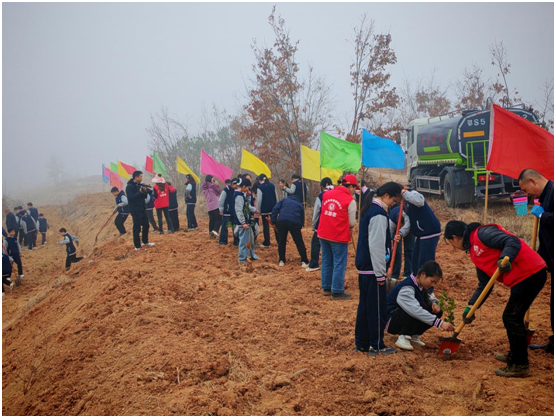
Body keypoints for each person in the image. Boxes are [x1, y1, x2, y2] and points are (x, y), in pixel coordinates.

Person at [444, 220, 547, 377]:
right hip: (523, 278)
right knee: (513, 316)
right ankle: (515, 354)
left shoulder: (482, 234)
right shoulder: (474, 251)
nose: (453, 247)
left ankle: (520, 364)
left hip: (530, 273)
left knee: (511, 317)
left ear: (454, 238)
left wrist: (505, 257)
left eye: (451, 243)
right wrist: (471, 306)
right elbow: (484, 284)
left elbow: (511, 241)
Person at [354, 182, 403, 356]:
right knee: (376, 309)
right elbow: (376, 246)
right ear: (386, 195)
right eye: (394, 200)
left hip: (365, 269)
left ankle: (362, 343)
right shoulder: (378, 214)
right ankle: (376, 345)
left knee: (365, 307)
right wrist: (380, 273)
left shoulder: (369, 209)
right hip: (372, 270)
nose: (393, 204)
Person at [518, 169, 554, 354]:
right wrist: (538, 259)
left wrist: (543, 216)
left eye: (526, 190)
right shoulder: (546, 196)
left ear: (532, 181)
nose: (527, 195)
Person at [386, 261, 454, 351]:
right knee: (419, 307)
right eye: (432, 281)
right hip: (391, 321)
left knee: (436, 311)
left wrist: (435, 303)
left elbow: (428, 297)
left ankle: (414, 335)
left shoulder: (419, 285)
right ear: (423, 274)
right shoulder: (407, 288)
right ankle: (404, 336)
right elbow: (415, 310)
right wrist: (440, 323)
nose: (432, 285)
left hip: (402, 315)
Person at [317, 174, 358, 300]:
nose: (354, 191)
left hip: (323, 232)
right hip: (338, 235)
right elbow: (352, 222)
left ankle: (327, 287)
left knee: (326, 260)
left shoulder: (326, 194)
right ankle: (337, 291)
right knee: (339, 262)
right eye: (354, 188)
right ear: (350, 187)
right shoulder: (350, 200)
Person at [402, 189, 441, 278]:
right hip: (421, 234)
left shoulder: (413, 194)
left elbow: (420, 201)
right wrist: (401, 233)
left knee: (425, 262)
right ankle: (416, 281)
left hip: (429, 232)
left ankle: (428, 283)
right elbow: (409, 223)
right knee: (415, 261)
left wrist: (405, 193)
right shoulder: (405, 206)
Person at [271, 194, 308, 267]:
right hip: (294, 222)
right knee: (299, 242)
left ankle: (281, 260)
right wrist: (300, 225)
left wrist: (274, 221)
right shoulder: (299, 205)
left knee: (281, 241)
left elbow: (275, 208)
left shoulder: (283, 201)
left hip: (281, 221)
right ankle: (304, 261)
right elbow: (302, 216)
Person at [306, 178, 334, 272]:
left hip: (323, 224)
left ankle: (314, 263)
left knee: (316, 243)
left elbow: (316, 212)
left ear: (322, 186)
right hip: (334, 225)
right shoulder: (336, 194)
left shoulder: (321, 196)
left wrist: (314, 225)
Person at [231, 178, 259, 264]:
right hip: (242, 223)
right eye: (247, 187)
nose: (248, 189)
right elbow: (239, 210)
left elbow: (247, 206)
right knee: (243, 241)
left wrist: (254, 210)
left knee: (250, 239)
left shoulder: (242, 195)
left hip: (246, 221)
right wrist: (243, 222)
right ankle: (242, 259)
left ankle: (250, 255)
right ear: (243, 186)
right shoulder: (239, 196)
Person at [126, 171, 155, 250]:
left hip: (142, 208)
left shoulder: (139, 185)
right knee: (137, 227)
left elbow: (144, 197)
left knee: (146, 225)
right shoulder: (129, 186)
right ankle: (137, 246)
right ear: (136, 177)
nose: (142, 178)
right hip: (135, 210)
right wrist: (140, 192)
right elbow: (131, 198)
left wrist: (145, 191)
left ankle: (145, 241)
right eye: (140, 176)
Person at [389, 203, 414, 280]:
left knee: (409, 249)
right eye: (400, 226)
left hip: (409, 227)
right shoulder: (392, 220)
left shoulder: (408, 216)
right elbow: (389, 234)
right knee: (396, 250)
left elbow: (407, 227)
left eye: (402, 226)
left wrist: (400, 233)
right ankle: (394, 274)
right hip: (395, 228)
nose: (401, 227)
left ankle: (408, 273)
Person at [257, 174, 278, 247]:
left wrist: (258, 210)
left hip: (264, 209)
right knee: (275, 223)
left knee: (265, 226)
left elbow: (259, 200)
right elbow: (276, 197)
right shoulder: (272, 186)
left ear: (260, 180)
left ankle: (267, 242)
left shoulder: (260, 187)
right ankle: (279, 240)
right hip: (273, 208)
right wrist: (277, 207)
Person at [218, 179, 239, 246]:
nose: (236, 186)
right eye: (235, 185)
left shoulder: (237, 190)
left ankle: (236, 241)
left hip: (234, 212)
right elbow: (221, 200)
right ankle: (223, 241)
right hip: (226, 212)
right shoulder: (225, 190)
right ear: (232, 184)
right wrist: (221, 210)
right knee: (224, 227)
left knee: (235, 226)